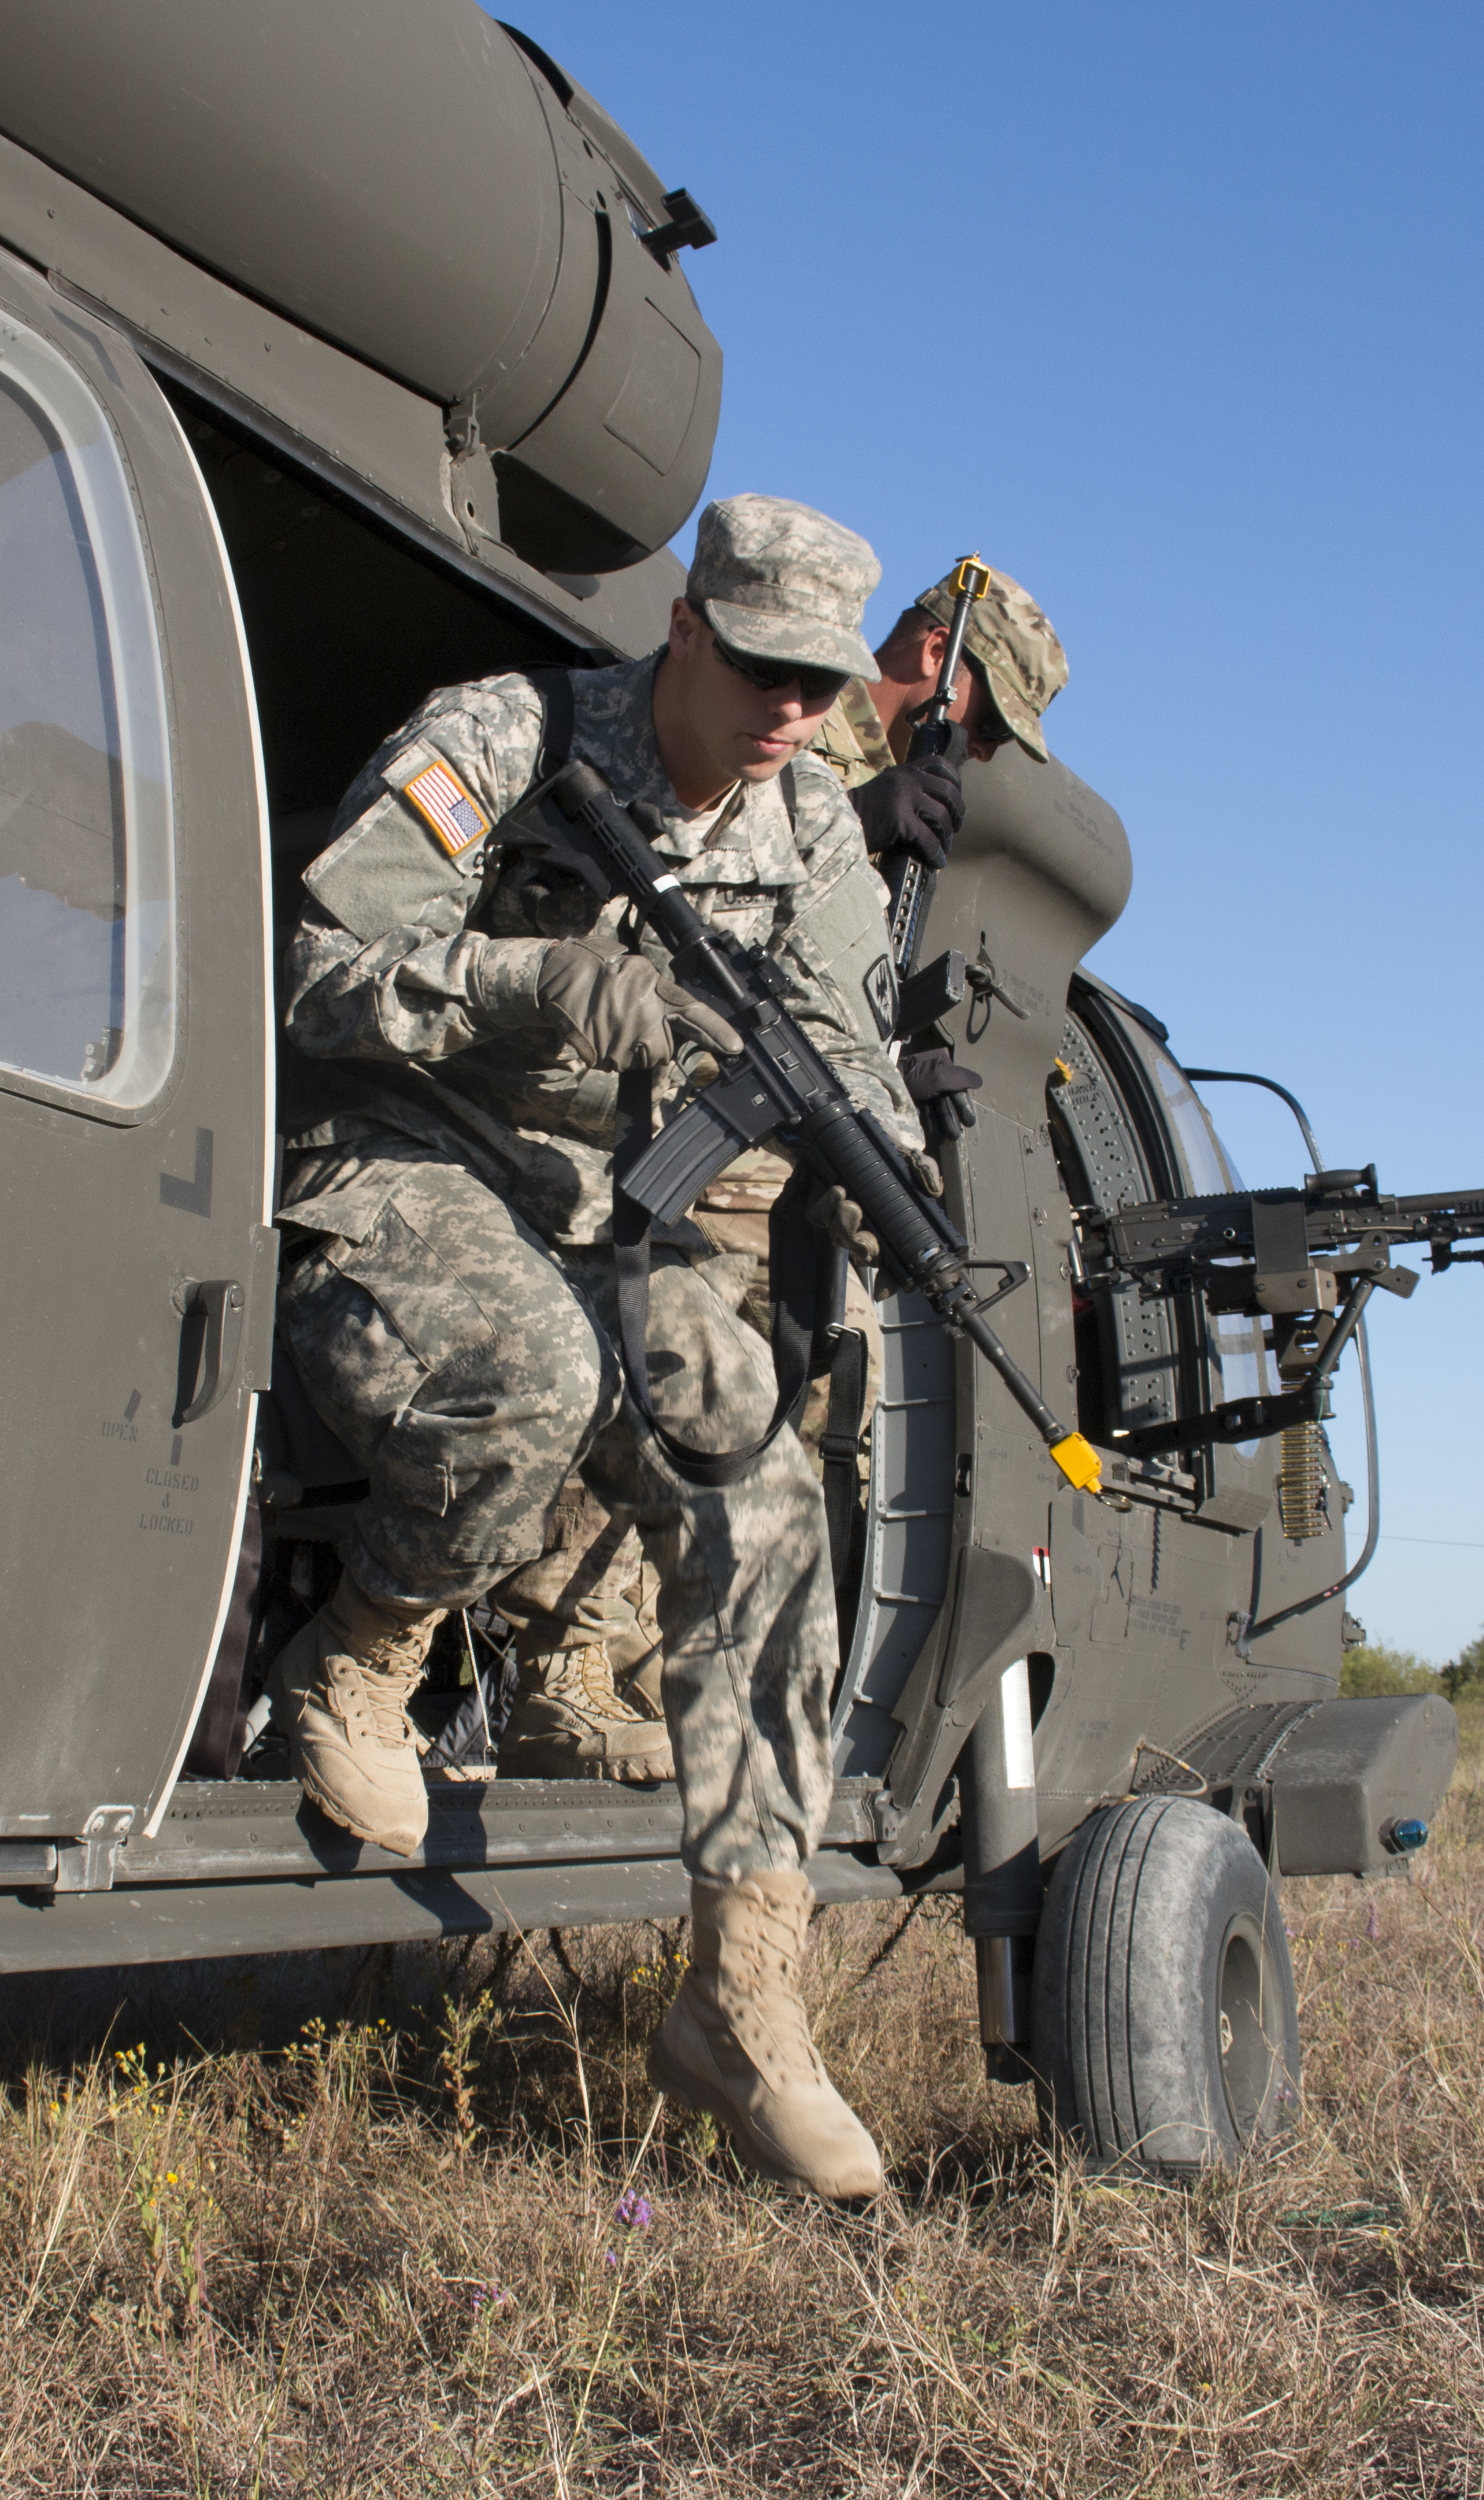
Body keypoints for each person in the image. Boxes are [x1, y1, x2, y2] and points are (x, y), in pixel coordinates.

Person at [271, 494, 923, 2195]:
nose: (792, 713)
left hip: (593, 1195)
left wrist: (883, 1182)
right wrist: (537, 987)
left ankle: (742, 2000)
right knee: (537, 1378)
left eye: (823, 683)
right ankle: (360, 1652)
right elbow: (308, 970)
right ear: (687, 634)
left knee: (765, 1498)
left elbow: (846, 1038)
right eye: (764, 667)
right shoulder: (508, 732)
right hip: (389, 1135)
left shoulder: (813, 828)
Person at [504, 564, 1079, 1771]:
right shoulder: (773, 727)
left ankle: (662, 1661)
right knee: (657, 1355)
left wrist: (881, 1077)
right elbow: (658, 873)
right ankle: (561, 1662)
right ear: (941, 659)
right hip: (664, 1098)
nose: (975, 747)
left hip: (784, 1133)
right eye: (981, 715)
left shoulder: (888, 780)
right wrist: (854, 820)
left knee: (807, 1385)